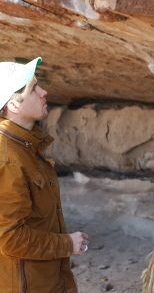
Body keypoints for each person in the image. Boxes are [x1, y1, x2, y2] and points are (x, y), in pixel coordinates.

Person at [0, 57, 89, 293]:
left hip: (44, 280)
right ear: (14, 105)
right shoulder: (8, 158)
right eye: (34, 88)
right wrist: (66, 244)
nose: (44, 91)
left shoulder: (25, 147)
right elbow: (10, 239)